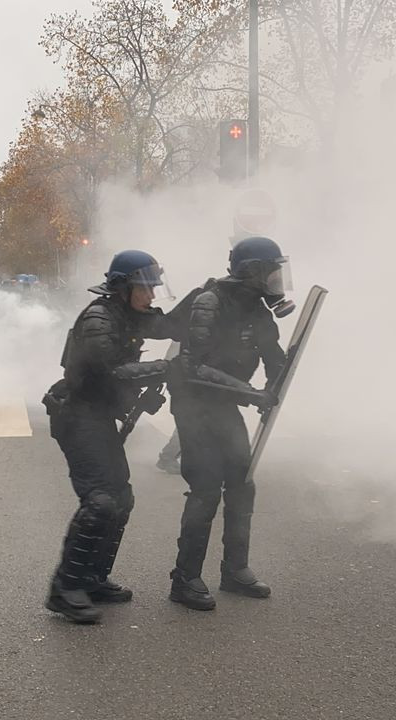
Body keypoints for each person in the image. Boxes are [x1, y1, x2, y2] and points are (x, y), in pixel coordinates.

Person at [41, 250, 179, 624]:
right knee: (101, 500)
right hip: (77, 415)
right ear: (123, 287)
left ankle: (92, 578)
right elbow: (111, 372)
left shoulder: (128, 314)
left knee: (121, 497)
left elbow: (171, 327)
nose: (151, 295)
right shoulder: (99, 318)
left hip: (97, 413)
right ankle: (64, 589)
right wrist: (163, 368)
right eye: (145, 287)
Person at [167, 236, 290, 611]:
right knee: (206, 489)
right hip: (195, 403)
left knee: (241, 482)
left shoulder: (258, 310)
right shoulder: (210, 303)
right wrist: (252, 394)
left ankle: (235, 570)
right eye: (271, 270)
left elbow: (273, 356)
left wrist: (275, 383)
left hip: (226, 405)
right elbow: (195, 366)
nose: (276, 279)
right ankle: (185, 579)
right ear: (252, 271)